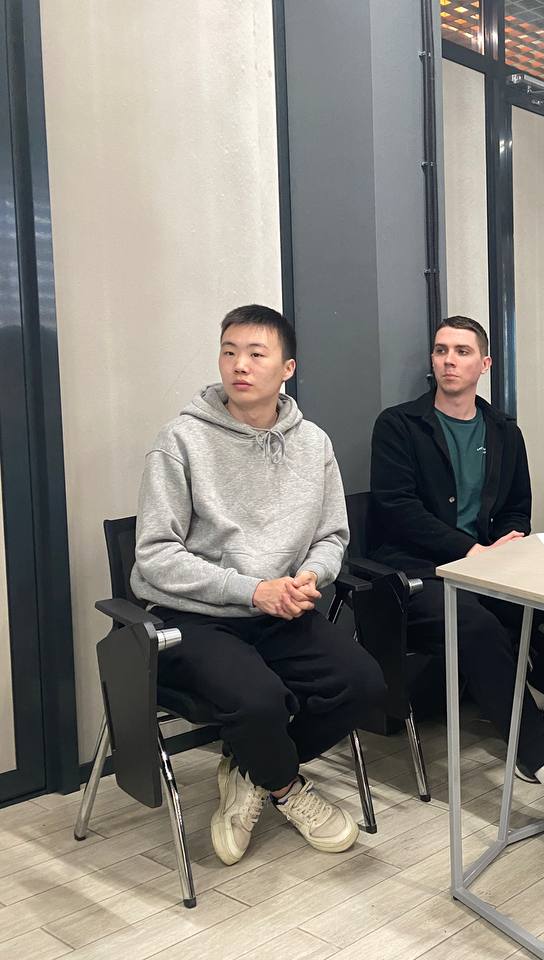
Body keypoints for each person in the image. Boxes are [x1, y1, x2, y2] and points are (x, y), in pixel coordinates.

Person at [368, 315, 544, 863]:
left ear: (484, 364)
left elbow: (517, 506)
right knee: (478, 625)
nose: (449, 360)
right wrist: (470, 551)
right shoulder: (398, 426)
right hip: (420, 573)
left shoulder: (504, 430)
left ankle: (539, 699)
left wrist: (506, 545)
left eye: (462, 351)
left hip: (490, 565)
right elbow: (397, 510)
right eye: (441, 350)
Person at [132, 305, 384, 867]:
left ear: (287, 368)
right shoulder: (180, 440)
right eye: (229, 352)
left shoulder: (313, 443)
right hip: (195, 617)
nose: (239, 365)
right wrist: (251, 590)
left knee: (364, 685)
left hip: (281, 611)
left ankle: (251, 769)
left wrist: (311, 576)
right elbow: (154, 556)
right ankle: (286, 786)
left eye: (255, 353)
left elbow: (332, 535)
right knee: (259, 701)